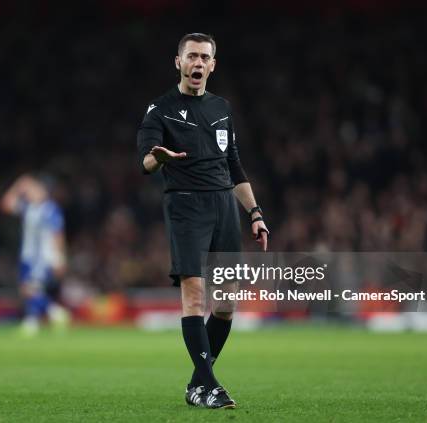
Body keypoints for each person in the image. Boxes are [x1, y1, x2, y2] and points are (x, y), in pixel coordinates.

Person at [136, 33, 269, 409]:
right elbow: (144, 161)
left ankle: (198, 383)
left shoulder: (222, 108)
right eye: (191, 56)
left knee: (227, 303)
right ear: (178, 62)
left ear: (212, 65)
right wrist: (158, 157)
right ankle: (210, 387)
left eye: (204, 57)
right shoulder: (159, 109)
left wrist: (255, 213)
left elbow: (234, 164)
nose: (197, 63)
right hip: (186, 206)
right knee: (194, 295)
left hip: (224, 206)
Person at [1, 174, 69, 336]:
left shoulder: (50, 209)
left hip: (43, 257)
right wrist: (19, 185)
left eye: (35, 189)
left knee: (31, 288)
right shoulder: (28, 207)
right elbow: (5, 204)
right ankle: (44, 316)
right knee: (28, 289)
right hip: (28, 256)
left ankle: (46, 316)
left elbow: (57, 234)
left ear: (44, 191)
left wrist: (59, 258)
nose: (31, 192)